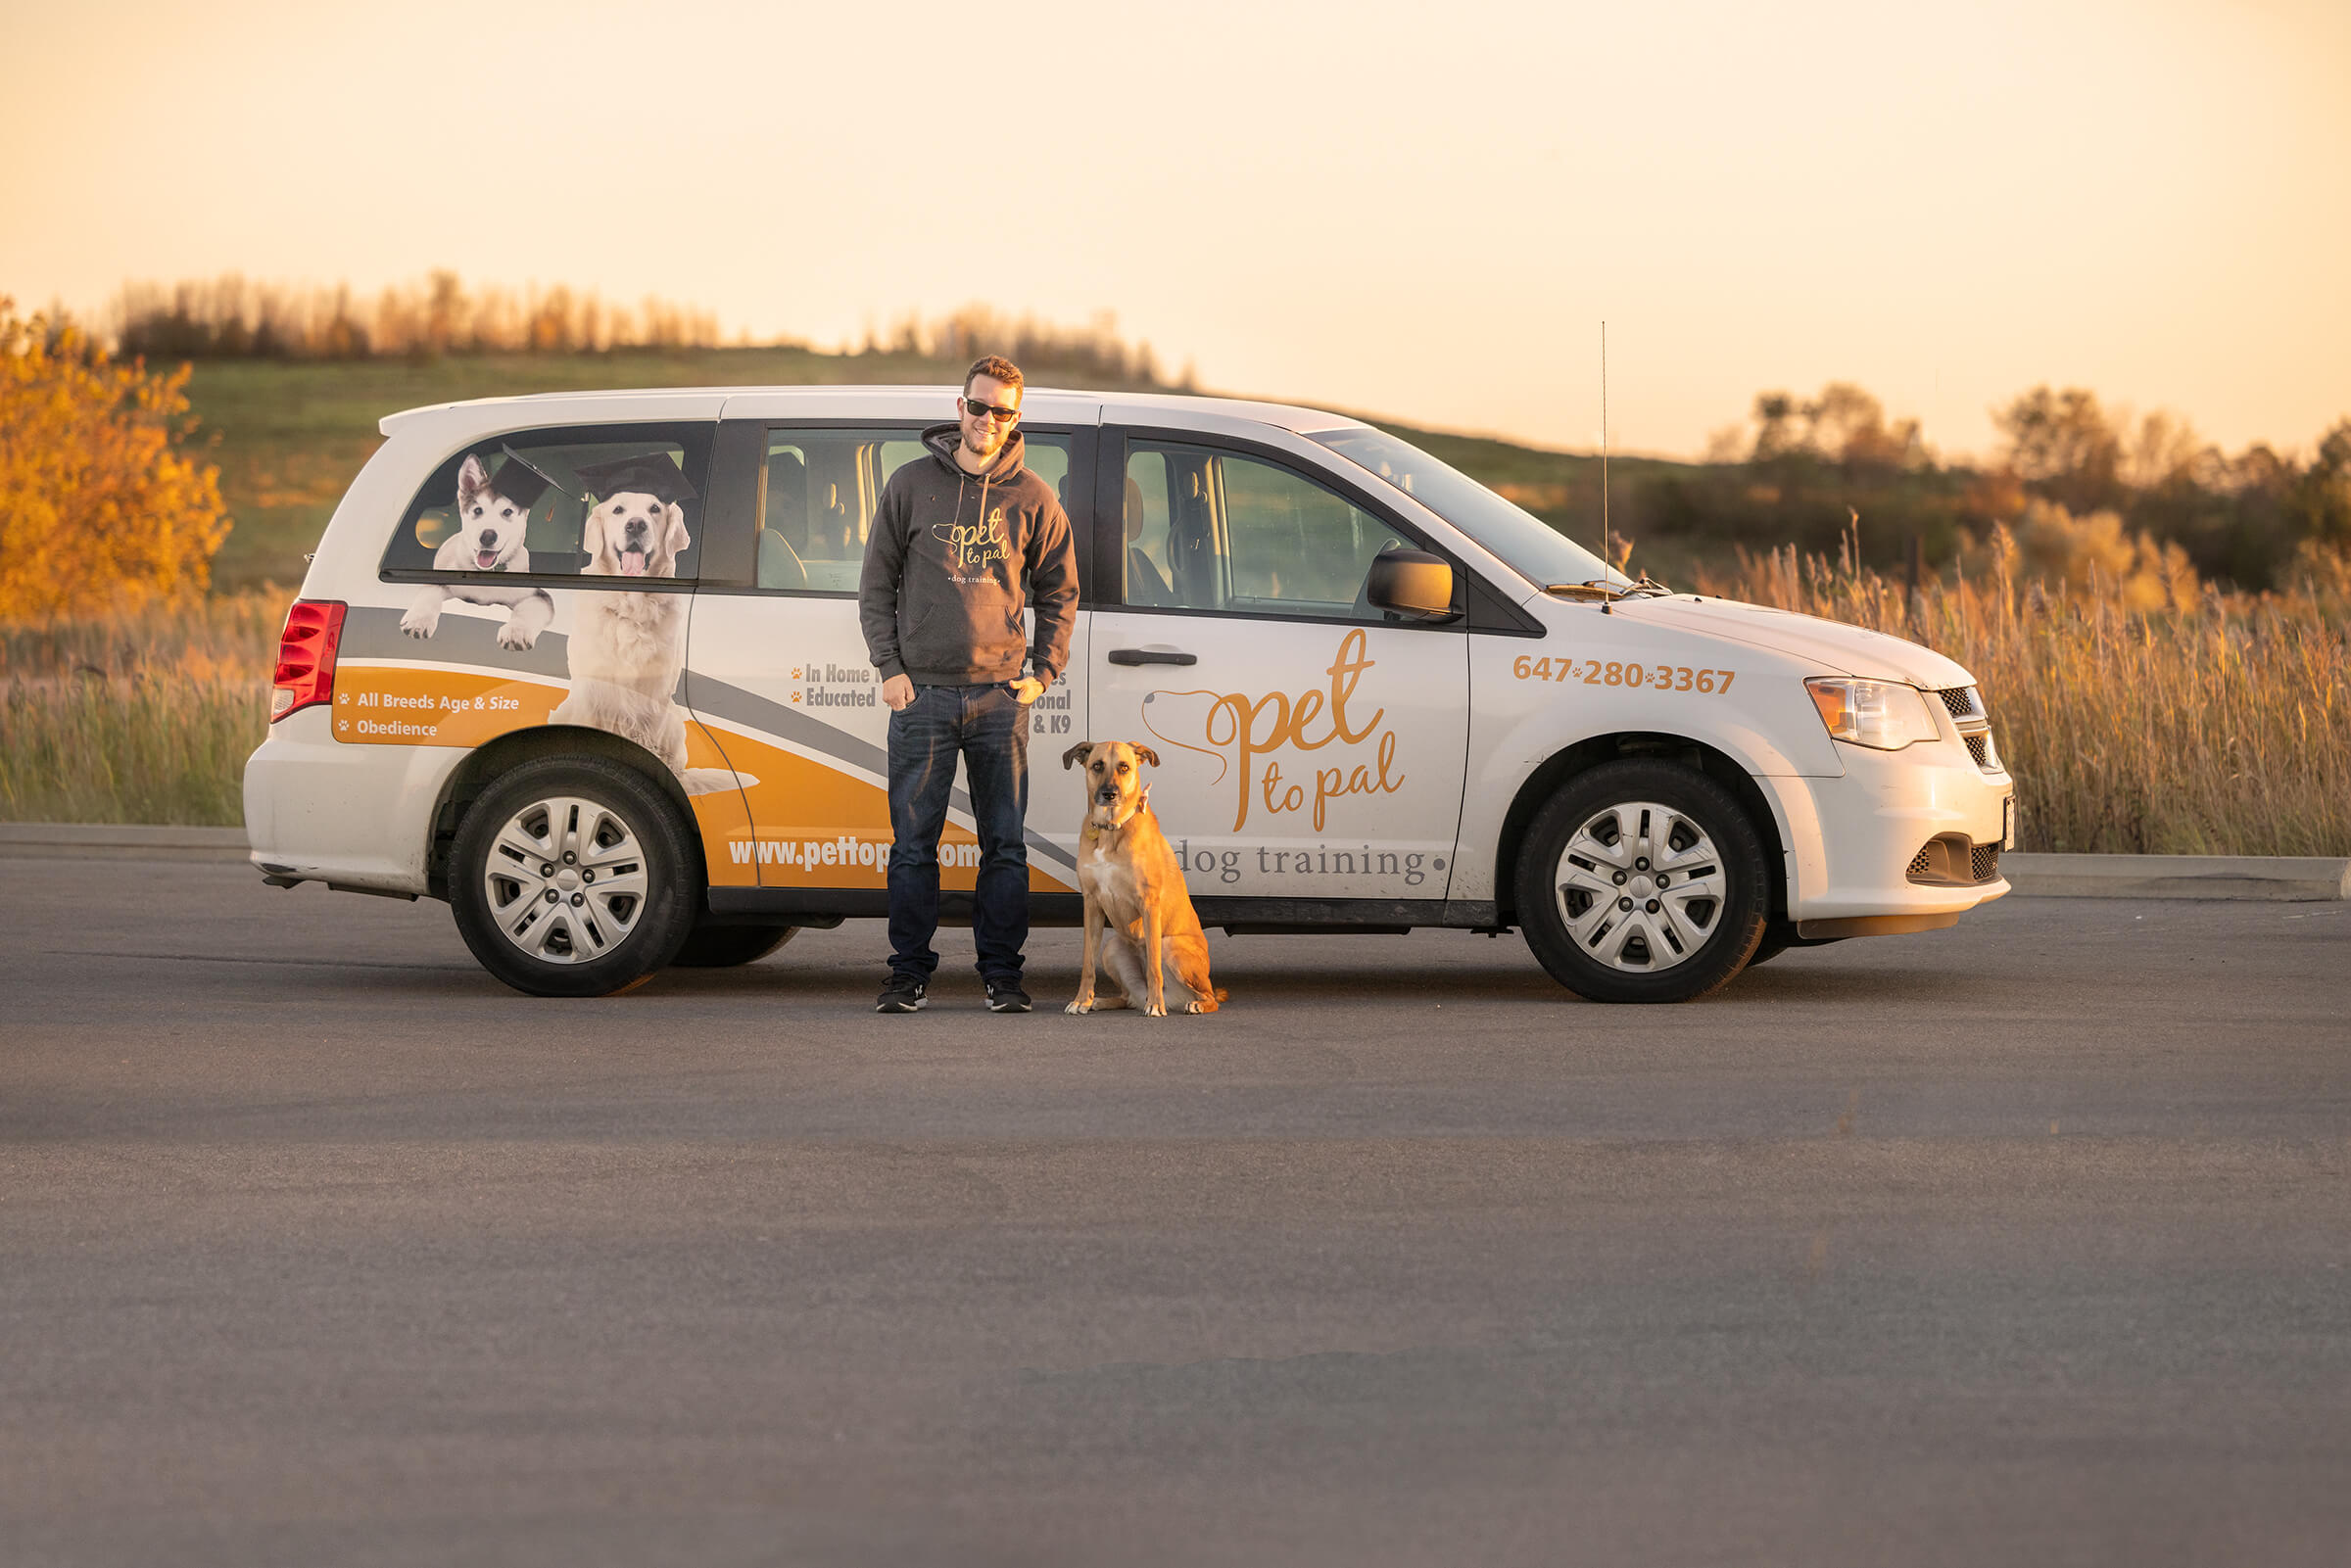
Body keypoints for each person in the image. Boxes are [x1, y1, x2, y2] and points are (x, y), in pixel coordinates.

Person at [859, 356, 1079, 1014]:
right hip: (921, 694)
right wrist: (890, 669)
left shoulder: (1034, 497)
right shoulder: (909, 484)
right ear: (959, 408)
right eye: (978, 407)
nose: (988, 420)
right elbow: (876, 584)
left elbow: (1060, 592)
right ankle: (907, 974)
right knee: (912, 847)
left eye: (1002, 411)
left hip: (999, 699)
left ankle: (1003, 976)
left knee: (1004, 846)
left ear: (1016, 420)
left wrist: (1043, 673)